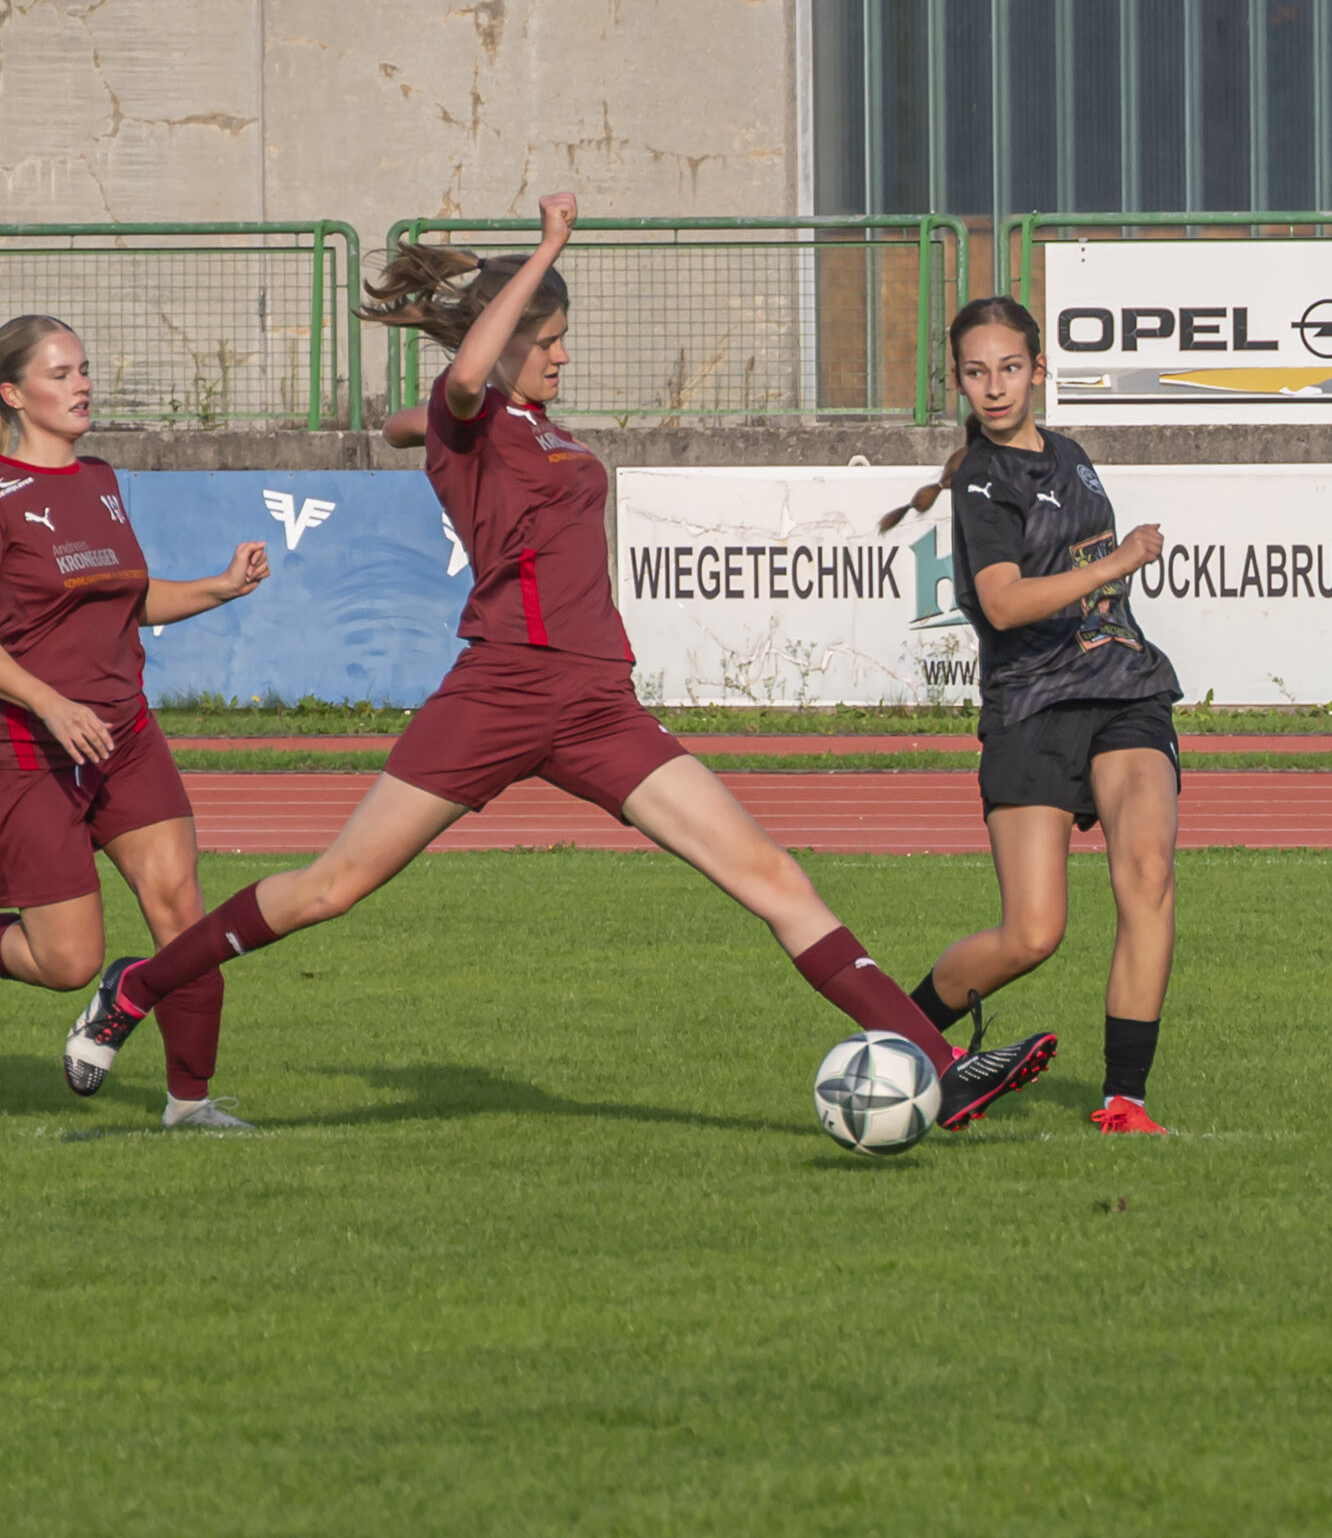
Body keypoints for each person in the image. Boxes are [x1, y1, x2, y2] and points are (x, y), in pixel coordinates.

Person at [61, 196, 1058, 1136]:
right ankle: (137, 987)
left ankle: (939, 1067)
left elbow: (419, 418)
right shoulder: (470, 409)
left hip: (594, 703)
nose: (563, 355)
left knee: (772, 877)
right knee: (332, 887)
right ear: (503, 342)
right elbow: (456, 392)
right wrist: (544, 252)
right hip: (500, 689)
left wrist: (419, 422)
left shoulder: (525, 428)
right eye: (547, 340)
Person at [0, 313, 272, 1132]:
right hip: (29, 746)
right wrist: (50, 703)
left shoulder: (99, 479)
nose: (81, 385)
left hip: (124, 735)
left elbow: (128, 600)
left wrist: (218, 587)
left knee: (183, 915)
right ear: (14, 394)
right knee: (67, 961)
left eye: (83, 369)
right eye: (59, 374)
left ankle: (189, 1104)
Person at [878, 297, 1182, 1135]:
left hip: (1125, 690)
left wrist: (1110, 581)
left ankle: (1124, 1100)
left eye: (1010, 368)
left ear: (1038, 370)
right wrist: (1117, 563)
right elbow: (1005, 604)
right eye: (977, 372)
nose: (995, 386)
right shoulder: (981, 483)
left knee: (1148, 874)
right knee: (1033, 934)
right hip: (1031, 705)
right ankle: (896, 1039)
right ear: (957, 379)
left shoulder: (1072, 455)